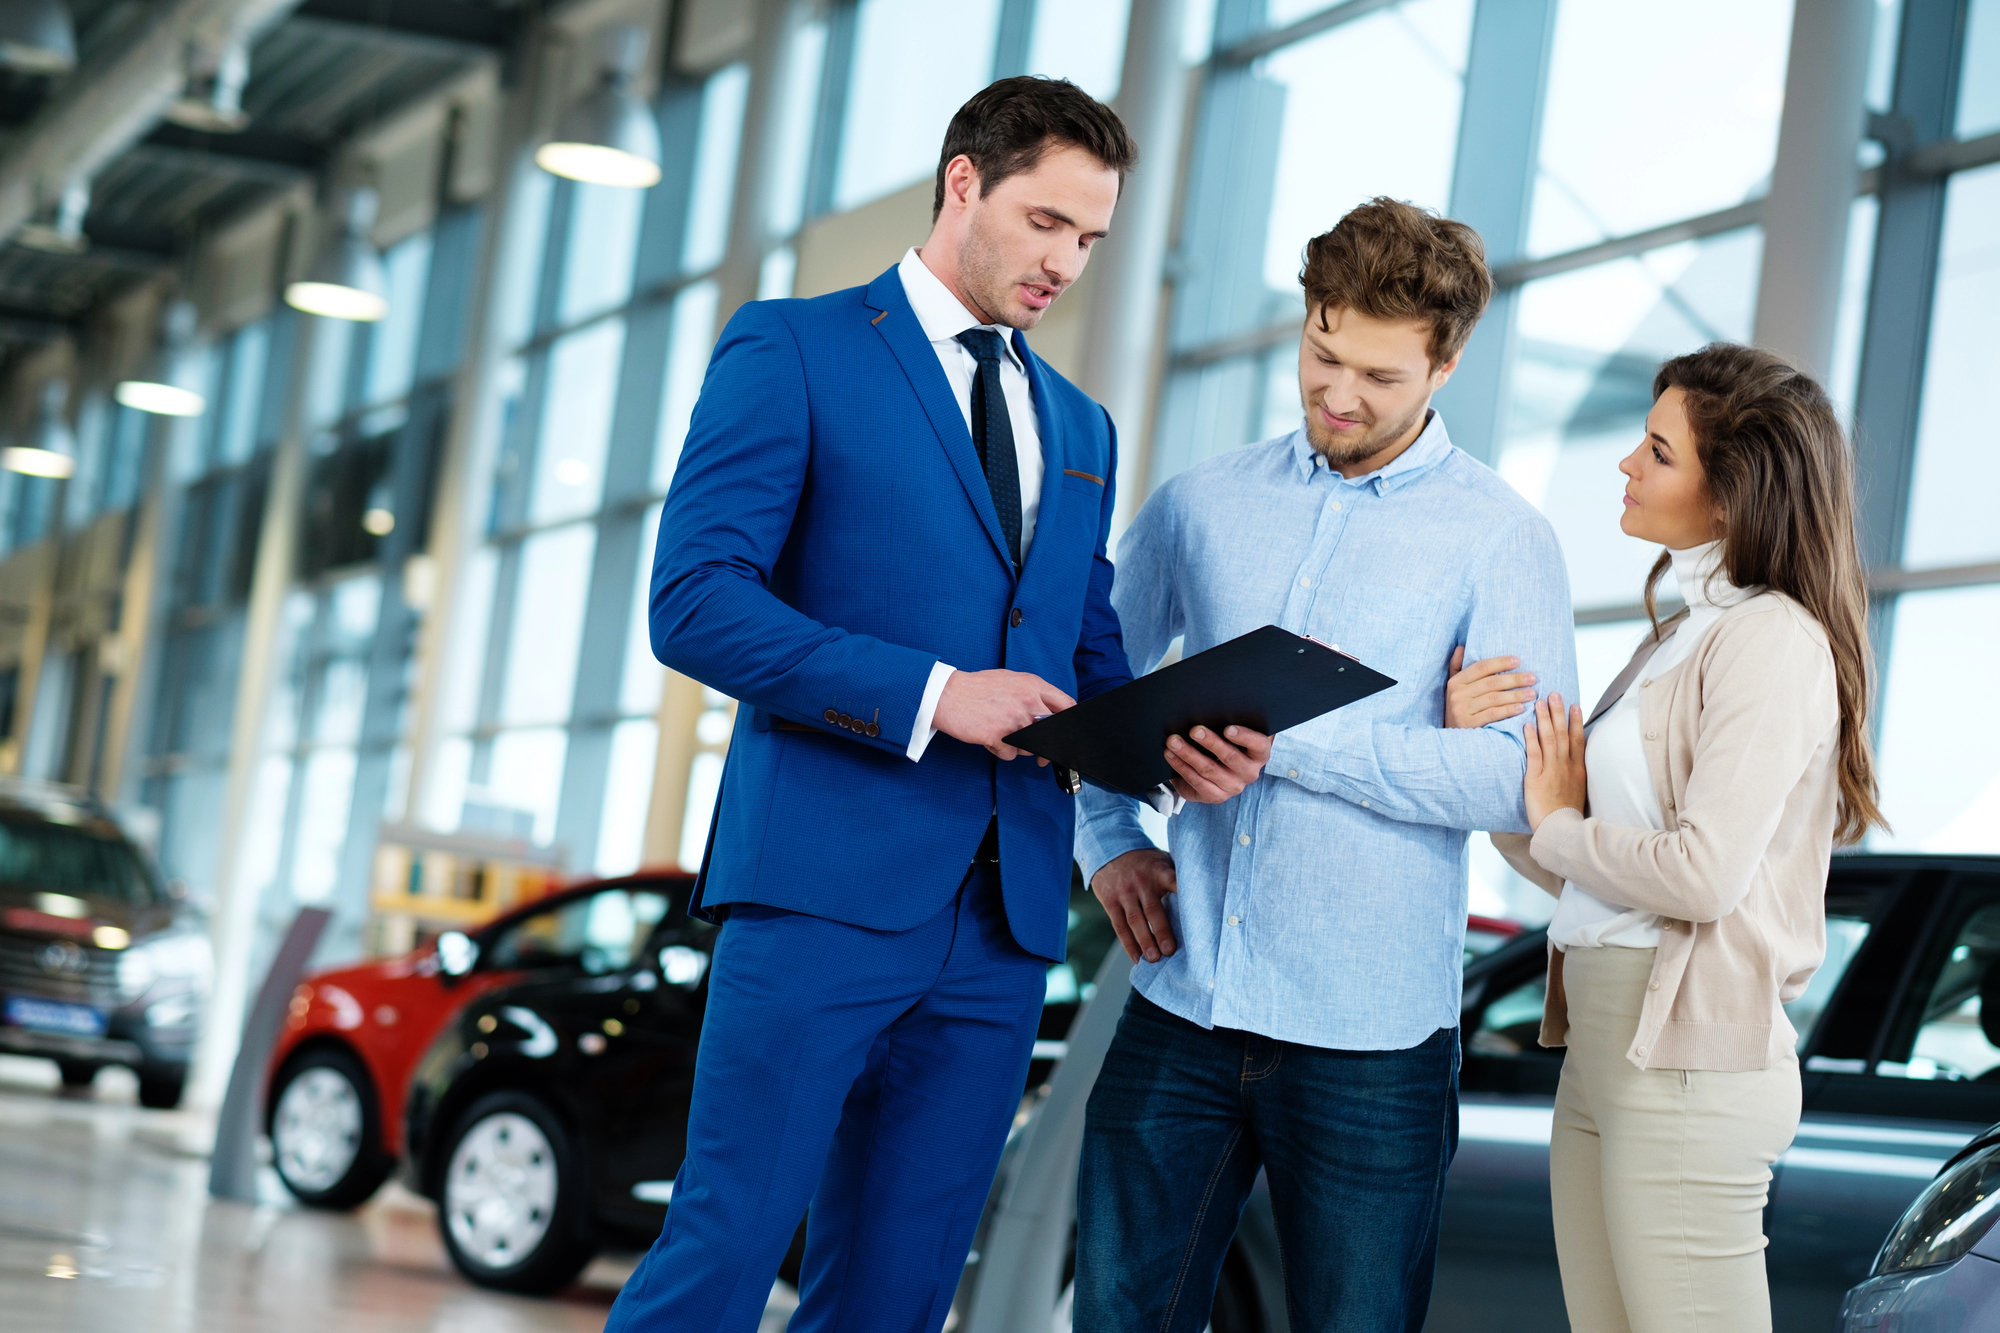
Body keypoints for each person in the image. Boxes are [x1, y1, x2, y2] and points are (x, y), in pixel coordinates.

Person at [603, 78, 1270, 1333]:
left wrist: (1172, 746)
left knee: (899, 1296)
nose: (1064, 262)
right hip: (819, 888)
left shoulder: (1078, 425)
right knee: (723, 1251)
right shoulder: (791, 349)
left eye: (1089, 238)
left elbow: (1082, 650)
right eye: (1043, 222)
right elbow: (692, 602)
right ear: (963, 180)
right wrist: (932, 694)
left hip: (1002, 922)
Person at [1071, 197, 1579, 1331]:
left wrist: (1289, 743)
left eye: (1379, 378)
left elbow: (1513, 780)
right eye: (1321, 354)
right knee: (1115, 1316)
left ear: (1445, 364)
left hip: (1370, 1044)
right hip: (1180, 1000)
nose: (1337, 396)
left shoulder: (1499, 538)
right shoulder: (1201, 503)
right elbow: (1092, 676)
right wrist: (1109, 840)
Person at [1447, 343, 1886, 1333]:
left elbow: (1698, 875)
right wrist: (1479, 758)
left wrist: (1556, 823)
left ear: (1728, 495)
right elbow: (1568, 855)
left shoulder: (1771, 640)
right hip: (1604, 1044)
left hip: (1687, 1058)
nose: (1624, 465)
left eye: (1655, 449)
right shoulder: (1676, 634)